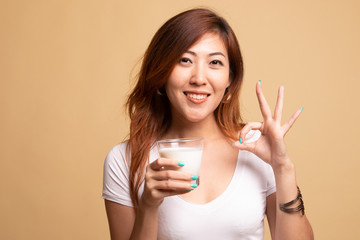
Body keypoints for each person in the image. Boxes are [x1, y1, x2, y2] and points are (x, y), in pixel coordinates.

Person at [102, 8, 314, 240]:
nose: (199, 78)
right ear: (161, 73)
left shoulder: (256, 149)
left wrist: (282, 167)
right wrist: (149, 205)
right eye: (185, 60)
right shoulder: (125, 159)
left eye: (214, 62)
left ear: (230, 81)